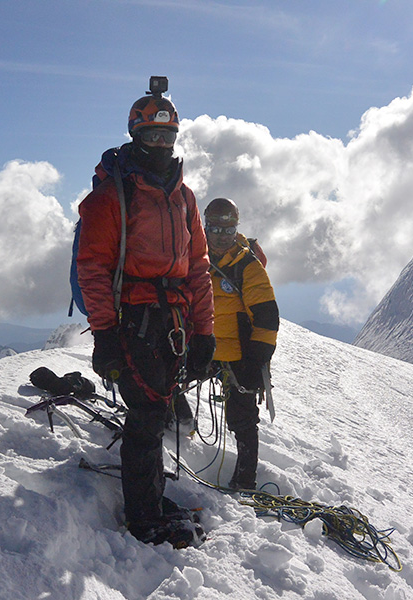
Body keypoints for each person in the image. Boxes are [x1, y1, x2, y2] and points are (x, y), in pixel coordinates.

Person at [76, 78, 215, 548]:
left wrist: (204, 332)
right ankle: (143, 516)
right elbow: (93, 268)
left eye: (168, 136)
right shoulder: (112, 196)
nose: (161, 144)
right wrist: (105, 335)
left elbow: (197, 267)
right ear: (135, 136)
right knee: (148, 414)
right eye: (152, 136)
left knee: (154, 412)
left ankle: (150, 499)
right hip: (133, 320)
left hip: (173, 321)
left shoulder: (184, 196)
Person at [204, 197, 279, 491]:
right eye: (216, 230)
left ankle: (246, 479)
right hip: (204, 346)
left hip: (239, 355)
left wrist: (256, 360)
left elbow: (266, 316)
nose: (222, 237)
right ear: (206, 227)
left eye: (228, 230)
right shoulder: (194, 259)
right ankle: (178, 429)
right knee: (167, 389)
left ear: (236, 229)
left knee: (243, 418)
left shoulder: (247, 266)